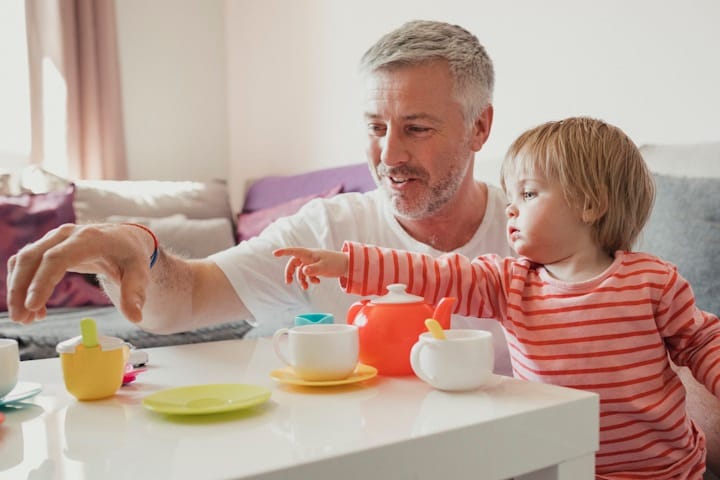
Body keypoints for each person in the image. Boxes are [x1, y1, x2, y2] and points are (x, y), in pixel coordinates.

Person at [5, 20, 512, 355]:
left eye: (417, 129)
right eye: (376, 128)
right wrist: (138, 250)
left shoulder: (537, 233)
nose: (390, 156)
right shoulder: (327, 229)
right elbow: (181, 304)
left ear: (479, 128)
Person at [275, 117, 720, 479]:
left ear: (590, 205)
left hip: (661, 471)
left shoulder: (652, 282)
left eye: (527, 194)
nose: (510, 208)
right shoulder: (507, 282)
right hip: (550, 464)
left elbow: (702, 342)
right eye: (511, 196)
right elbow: (433, 274)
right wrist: (347, 263)